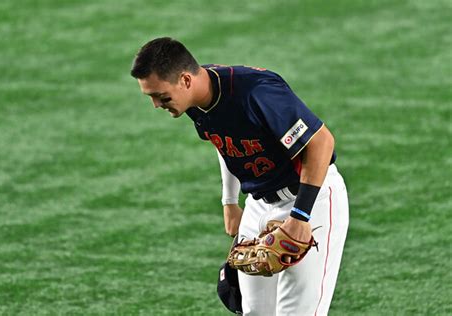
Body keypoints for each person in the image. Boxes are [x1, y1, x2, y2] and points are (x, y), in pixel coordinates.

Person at [130, 37, 349, 316]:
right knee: (254, 311)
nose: (156, 105)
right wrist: (230, 201)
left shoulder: (256, 92)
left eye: (161, 96)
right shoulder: (197, 100)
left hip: (310, 198)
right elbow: (223, 140)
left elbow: (321, 143)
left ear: (185, 80)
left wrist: (300, 217)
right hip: (259, 203)